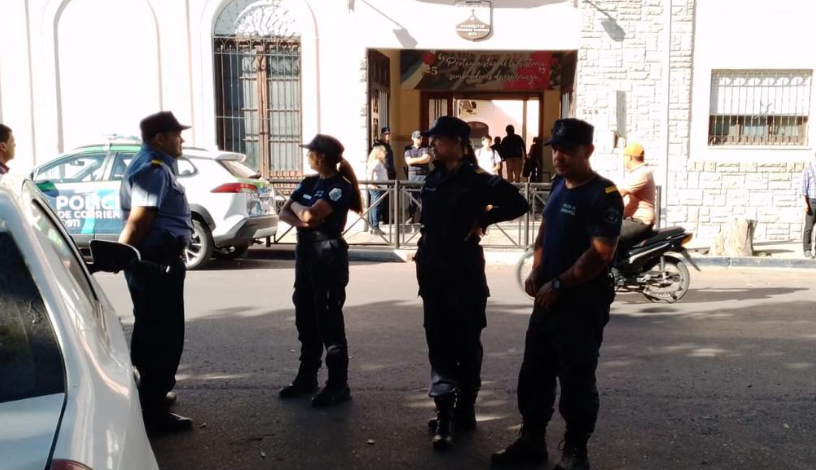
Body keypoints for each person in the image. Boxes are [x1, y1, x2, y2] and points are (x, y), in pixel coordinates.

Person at [492, 119, 623, 470]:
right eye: (555, 149)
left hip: (580, 301)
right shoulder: (558, 185)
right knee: (534, 372)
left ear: (588, 150)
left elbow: (601, 253)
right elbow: (545, 230)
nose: (558, 156)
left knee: (576, 377)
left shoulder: (603, 194)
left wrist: (560, 284)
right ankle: (532, 440)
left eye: (567, 150)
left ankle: (575, 452)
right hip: (547, 298)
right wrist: (537, 270)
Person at [416, 116, 529, 450]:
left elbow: (518, 203)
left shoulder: (477, 179)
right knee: (439, 344)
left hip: (464, 275)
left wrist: (483, 219)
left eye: (438, 139)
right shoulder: (433, 178)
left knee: (467, 345)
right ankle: (444, 415)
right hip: (434, 274)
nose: (432, 144)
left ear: (458, 143)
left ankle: (465, 409)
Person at [118, 111, 195, 433]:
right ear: (159, 138)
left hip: (156, 261)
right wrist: (121, 255)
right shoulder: (152, 168)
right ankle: (153, 410)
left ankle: (151, 395)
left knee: (152, 330)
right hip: (156, 264)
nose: (182, 139)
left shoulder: (159, 165)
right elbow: (140, 219)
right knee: (163, 336)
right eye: (177, 134)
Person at [278, 134, 363, 407]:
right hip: (306, 252)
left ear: (321, 156)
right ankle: (307, 377)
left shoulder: (339, 186)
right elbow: (284, 214)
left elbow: (310, 214)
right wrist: (303, 219)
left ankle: (338, 384)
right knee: (305, 315)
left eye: (310, 152)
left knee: (328, 318)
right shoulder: (309, 182)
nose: (307, 156)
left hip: (328, 254)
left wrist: (300, 211)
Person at [617, 142, 656, 249]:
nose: (623, 160)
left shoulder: (642, 173)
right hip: (632, 219)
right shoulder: (637, 173)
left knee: (604, 233)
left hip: (639, 221)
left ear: (629, 157)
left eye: (624, 157)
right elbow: (616, 189)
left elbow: (620, 192)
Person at [405, 130, 431, 224]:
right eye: (418, 137)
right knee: (412, 198)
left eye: (421, 137)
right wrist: (421, 159)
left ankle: (423, 219)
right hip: (412, 176)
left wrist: (414, 160)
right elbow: (408, 161)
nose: (420, 139)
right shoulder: (408, 149)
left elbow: (426, 159)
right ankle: (411, 217)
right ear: (413, 138)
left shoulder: (425, 148)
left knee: (424, 198)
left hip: (423, 175)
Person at [366, 145, 388, 236]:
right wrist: (371, 183)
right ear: (379, 153)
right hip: (377, 187)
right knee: (376, 207)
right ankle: (375, 227)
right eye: (384, 151)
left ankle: (372, 227)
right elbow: (371, 171)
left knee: (374, 206)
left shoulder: (376, 162)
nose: (385, 153)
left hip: (377, 187)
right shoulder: (377, 162)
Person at [801, 152, 816, 258]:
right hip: (812, 201)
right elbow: (803, 189)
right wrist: (804, 203)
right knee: (809, 227)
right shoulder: (807, 170)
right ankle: (807, 249)